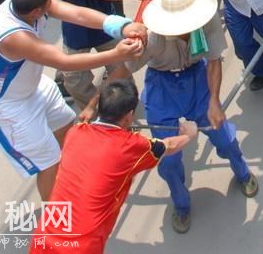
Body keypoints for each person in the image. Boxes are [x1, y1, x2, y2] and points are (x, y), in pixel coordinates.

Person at [99, 0, 258, 234]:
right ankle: (181, 204)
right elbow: (124, 70)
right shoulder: (151, 37)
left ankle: (243, 172)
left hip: (198, 78)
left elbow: (214, 60)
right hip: (162, 85)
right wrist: (92, 104)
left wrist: (215, 102)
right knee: (168, 156)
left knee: (224, 136)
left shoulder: (208, 20)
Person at [0, 0, 146, 198]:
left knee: (66, 124)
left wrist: (120, 26)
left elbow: (77, 14)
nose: (54, 0)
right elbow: (63, 62)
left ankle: (74, 177)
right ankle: (56, 213)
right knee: (48, 161)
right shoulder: (12, 36)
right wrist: (115, 54)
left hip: (32, 86)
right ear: (37, 10)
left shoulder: (27, 5)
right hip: (7, 106)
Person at [31, 78, 195, 254]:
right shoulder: (130, 146)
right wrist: (189, 135)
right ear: (129, 116)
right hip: (83, 246)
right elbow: (167, 146)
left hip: (43, 238)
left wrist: (90, 106)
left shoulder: (75, 133)